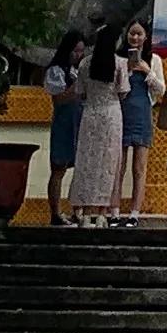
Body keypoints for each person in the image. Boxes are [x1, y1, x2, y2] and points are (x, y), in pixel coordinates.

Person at [63, 24, 132, 228]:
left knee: (87, 161)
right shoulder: (119, 64)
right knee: (109, 163)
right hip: (111, 114)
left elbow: (80, 92)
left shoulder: (85, 64)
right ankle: (103, 212)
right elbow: (123, 92)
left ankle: (84, 212)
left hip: (91, 113)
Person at [39, 30, 89, 226]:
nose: (78, 55)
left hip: (79, 121)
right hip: (63, 122)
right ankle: (55, 212)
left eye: (81, 52)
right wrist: (77, 85)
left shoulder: (76, 70)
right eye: (75, 51)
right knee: (58, 168)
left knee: (80, 168)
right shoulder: (56, 71)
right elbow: (59, 98)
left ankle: (77, 210)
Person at [114, 18, 160, 222]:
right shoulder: (117, 59)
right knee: (118, 166)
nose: (135, 37)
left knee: (139, 168)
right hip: (120, 113)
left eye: (139, 34)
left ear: (146, 37)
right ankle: (114, 211)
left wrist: (146, 71)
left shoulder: (154, 59)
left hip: (142, 114)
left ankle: (134, 213)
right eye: (132, 33)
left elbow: (161, 90)